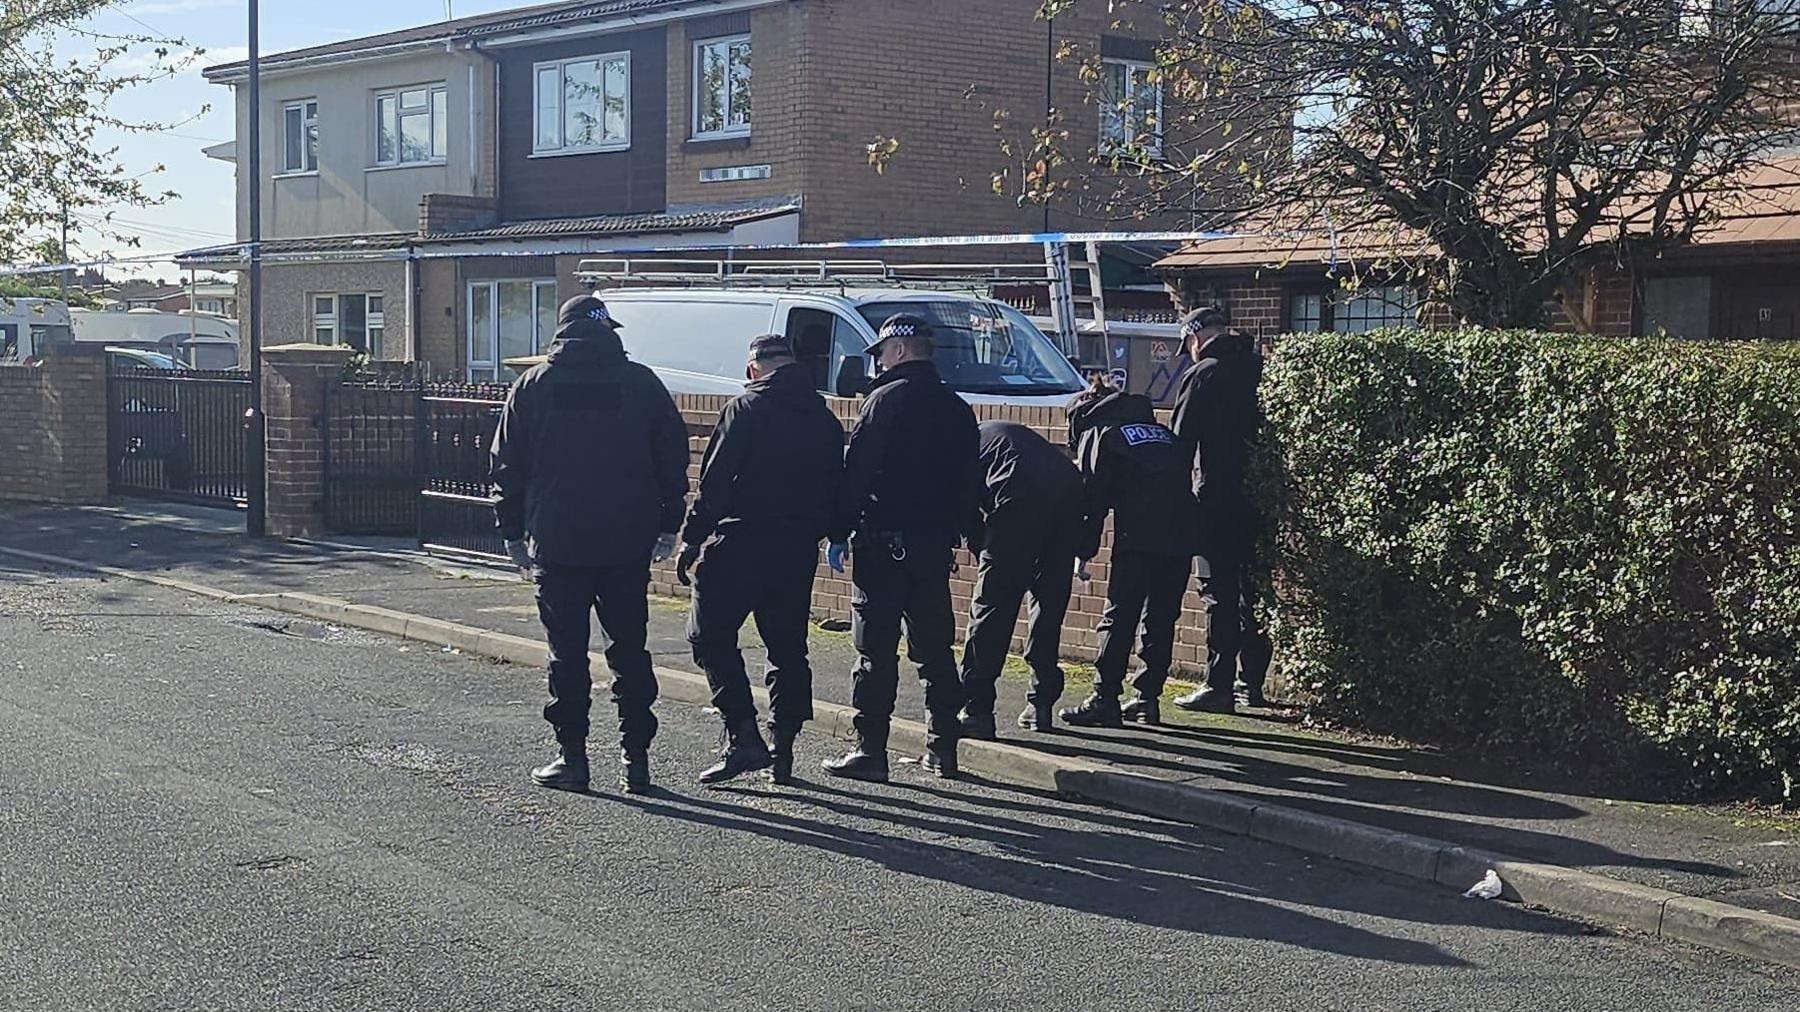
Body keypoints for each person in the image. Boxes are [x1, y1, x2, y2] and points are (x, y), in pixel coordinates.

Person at [491, 295, 689, 794]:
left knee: (567, 653)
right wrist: (668, 524)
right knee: (628, 650)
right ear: (609, 331)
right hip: (626, 540)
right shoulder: (641, 383)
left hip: (558, 540)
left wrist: (512, 531)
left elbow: (506, 465)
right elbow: (672, 459)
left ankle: (572, 757)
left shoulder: (533, 385)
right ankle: (636, 760)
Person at [675, 335, 846, 787]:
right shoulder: (824, 420)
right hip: (796, 548)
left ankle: (743, 737)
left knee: (708, 636)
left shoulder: (745, 409)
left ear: (754, 369)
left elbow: (713, 484)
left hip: (740, 541)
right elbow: (837, 485)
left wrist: (691, 541)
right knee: (788, 648)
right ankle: (783, 749)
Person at [823, 313, 981, 783]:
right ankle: (943, 749)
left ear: (898, 350)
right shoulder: (956, 407)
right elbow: (968, 482)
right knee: (934, 651)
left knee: (875, 653)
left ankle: (871, 750)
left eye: (882, 355)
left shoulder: (883, 402)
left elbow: (858, 474)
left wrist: (837, 530)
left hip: (883, 544)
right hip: (933, 548)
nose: (878, 364)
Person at [1059, 377, 1198, 728]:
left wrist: (1082, 551)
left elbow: (1094, 501)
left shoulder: (1102, 434)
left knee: (1119, 617)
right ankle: (1146, 699)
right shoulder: (1162, 433)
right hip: (1181, 535)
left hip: (1138, 537)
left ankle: (1105, 698)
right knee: (1161, 617)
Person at [1167, 306, 1274, 715]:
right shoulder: (1257, 368)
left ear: (1195, 338)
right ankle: (1252, 684)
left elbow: (1181, 444)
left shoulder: (1202, 374)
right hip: (1260, 499)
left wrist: (1176, 500)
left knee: (1219, 592)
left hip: (1215, 500)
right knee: (1253, 592)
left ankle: (1218, 684)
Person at [957, 418, 1085, 737]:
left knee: (991, 610)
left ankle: (977, 708)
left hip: (1017, 494)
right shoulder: (995, 435)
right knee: (1048, 603)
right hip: (1067, 492)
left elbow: (964, 508)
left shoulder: (960, 448)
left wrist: (983, 551)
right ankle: (1040, 704)